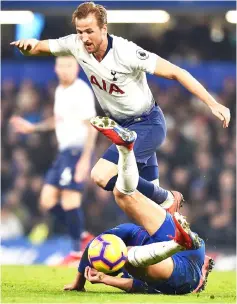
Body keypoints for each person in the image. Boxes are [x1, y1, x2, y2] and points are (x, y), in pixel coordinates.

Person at [10, 2, 230, 213]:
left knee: (101, 176)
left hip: (147, 124)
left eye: (89, 31)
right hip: (122, 129)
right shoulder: (75, 44)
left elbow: (176, 72)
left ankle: (168, 197)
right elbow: (40, 47)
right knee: (147, 208)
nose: (84, 38)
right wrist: (29, 47)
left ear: (104, 29)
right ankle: (179, 239)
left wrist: (213, 103)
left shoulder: (126, 52)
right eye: (80, 31)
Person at [63, 119, 214, 294]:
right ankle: (176, 236)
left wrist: (80, 281)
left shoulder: (127, 232)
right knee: (129, 254)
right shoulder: (131, 266)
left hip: (183, 245)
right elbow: (143, 287)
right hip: (185, 274)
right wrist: (104, 279)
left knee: (122, 194)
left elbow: (94, 245)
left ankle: (128, 148)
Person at [10, 56, 97, 265]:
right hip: (64, 153)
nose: (65, 70)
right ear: (56, 69)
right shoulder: (60, 91)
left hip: (77, 152)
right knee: (47, 201)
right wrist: (34, 127)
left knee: (70, 200)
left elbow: (92, 125)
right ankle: (82, 234)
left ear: (76, 68)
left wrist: (86, 159)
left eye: (69, 66)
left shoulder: (81, 90)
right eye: (61, 66)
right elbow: (58, 121)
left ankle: (77, 252)